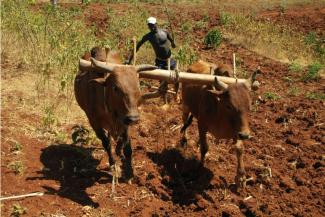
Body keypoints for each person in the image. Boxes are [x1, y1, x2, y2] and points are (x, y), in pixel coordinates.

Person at [127, 17, 177, 104]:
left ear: (156, 24)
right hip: (160, 61)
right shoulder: (148, 36)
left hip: (170, 59)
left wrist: (173, 44)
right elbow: (137, 47)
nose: (151, 27)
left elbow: (172, 42)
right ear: (148, 26)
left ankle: (176, 95)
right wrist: (129, 60)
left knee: (177, 77)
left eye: (152, 25)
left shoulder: (165, 32)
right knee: (163, 81)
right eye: (150, 26)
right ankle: (164, 100)